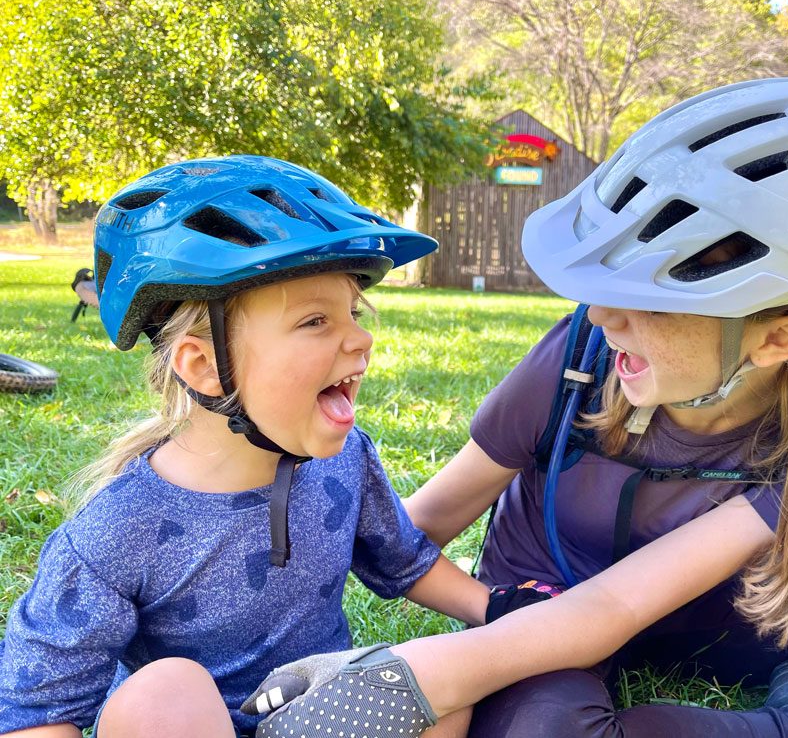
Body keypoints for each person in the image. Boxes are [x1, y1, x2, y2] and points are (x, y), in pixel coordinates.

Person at [244, 78, 788, 738]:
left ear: (777, 339)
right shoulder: (582, 355)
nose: (602, 314)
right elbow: (417, 528)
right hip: (544, 610)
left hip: (726, 621)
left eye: (652, 299)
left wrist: (414, 676)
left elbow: (621, 608)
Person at [0, 156, 491, 738]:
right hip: (185, 726)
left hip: (305, 715)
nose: (361, 339)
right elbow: (37, 715)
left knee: (439, 685)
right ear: (204, 365)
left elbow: (401, 559)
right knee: (166, 690)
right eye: (315, 321)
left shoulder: (346, 458)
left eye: (353, 314)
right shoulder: (119, 529)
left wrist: (497, 610)